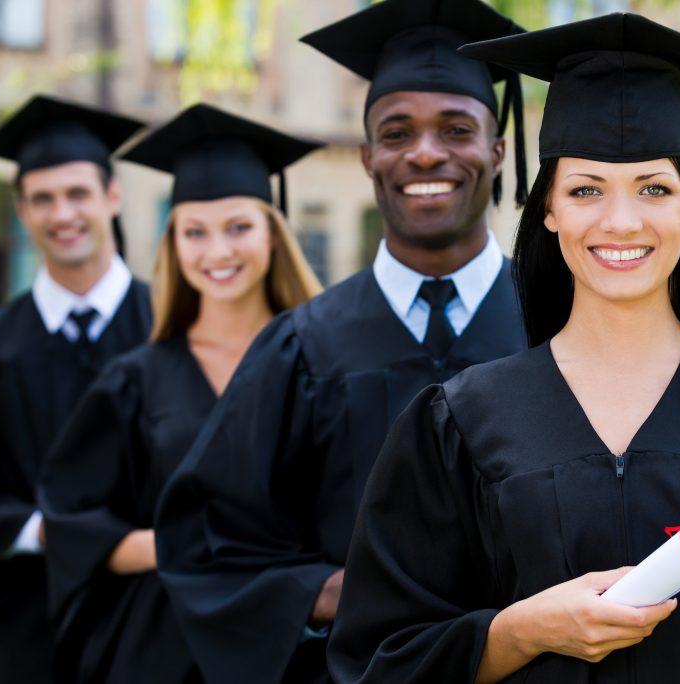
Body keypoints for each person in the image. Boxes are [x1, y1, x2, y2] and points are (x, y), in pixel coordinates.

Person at [328, 13, 680, 684]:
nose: (621, 222)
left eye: (654, 189)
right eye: (585, 190)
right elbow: (380, 661)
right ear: (548, 208)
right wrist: (520, 631)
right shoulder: (459, 423)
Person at [154, 1, 529, 682]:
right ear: (367, 157)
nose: (424, 151)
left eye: (456, 128)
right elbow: (208, 540)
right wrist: (332, 594)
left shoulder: (560, 327)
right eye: (397, 131)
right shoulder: (299, 346)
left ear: (497, 151)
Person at [39, 103, 324, 684]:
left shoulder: (327, 361)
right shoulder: (136, 379)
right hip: (163, 647)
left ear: (273, 231)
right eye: (194, 232)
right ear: (174, 242)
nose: (217, 252)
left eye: (239, 227)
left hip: (303, 645)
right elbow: (73, 524)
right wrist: (183, 551)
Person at [0, 94, 151, 684]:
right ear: (22, 212)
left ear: (112, 197)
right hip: (28, 628)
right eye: (42, 198)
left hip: (158, 618)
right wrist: (41, 531)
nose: (62, 214)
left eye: (78, 193)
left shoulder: (174, 328)